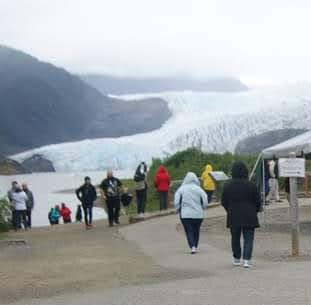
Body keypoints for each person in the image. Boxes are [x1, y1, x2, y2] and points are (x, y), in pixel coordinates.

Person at [221, 161, 261, 268]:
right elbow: (258, 201)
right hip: (250, 215)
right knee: (249, 238)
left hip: (233, 215)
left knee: (235, 237)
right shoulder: (251, 185)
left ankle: (236, 258)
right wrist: (255, 210)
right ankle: (247, 260)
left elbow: (223, 201)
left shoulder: (227, 185)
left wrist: (229, 210)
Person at [174, 172, 208, 254]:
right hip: (198, 214)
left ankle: (192, 246)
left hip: (185, 214)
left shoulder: (181, 189)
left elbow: (176, 201)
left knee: (189, 230)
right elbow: (205, 199)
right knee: (196, 230)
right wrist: (203, 207)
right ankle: (195, 246)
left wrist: (178, 208)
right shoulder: (199, 189)